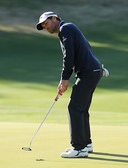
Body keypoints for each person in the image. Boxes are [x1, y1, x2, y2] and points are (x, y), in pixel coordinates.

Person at [36, 11, 109, 158]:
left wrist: (64, 79)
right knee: (81, 108)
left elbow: (69, 55)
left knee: (74, 107)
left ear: (55, 18)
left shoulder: (66, 28)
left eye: (46, 22)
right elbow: (82, 50)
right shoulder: (67, 30)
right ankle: (86, 144)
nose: (45, 27)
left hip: (88, 72)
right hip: (91, 71)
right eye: (43, 25)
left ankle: (79, 148)